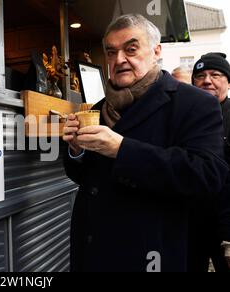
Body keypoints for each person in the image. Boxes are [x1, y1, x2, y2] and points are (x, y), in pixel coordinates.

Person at [63, 14, 229, 272]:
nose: (119, 60)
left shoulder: (195, 103)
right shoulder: (98, 109)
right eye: (111, 52)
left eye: (131, 49)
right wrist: (76, 151)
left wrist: (121, 149)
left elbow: (207, 174)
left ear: (156, 51)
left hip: (154, 253)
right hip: (94, 250)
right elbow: (87, 179)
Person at [192, 52, 230, 271]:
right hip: (190, 224)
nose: (207, 80)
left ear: (228, 81)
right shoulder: (184, 116)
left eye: (215, 74)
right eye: (200, 75)